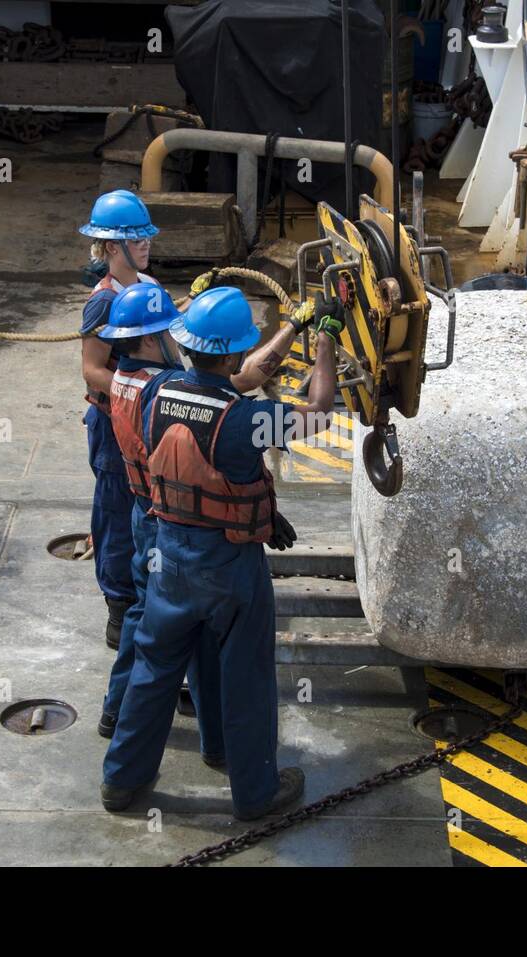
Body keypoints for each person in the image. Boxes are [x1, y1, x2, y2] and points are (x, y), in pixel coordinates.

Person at [101, 285, 344, 821]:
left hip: (168, 557)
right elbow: (321, 411)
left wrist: (295, 326)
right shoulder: (244, 420)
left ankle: (121, 780)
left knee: (155, 668)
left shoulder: (152, 394)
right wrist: (324, 336)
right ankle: (255, 792)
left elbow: (213, 420)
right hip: (231, 567)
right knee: (247, 676)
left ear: (187, 346)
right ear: (232, 353)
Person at [77, 190, 161, 650]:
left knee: (142, 508)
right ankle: (117, 606)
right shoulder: (103, 302)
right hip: (112, 426)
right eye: (136, 239)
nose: (146, 244)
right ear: (112, 248)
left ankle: (140, 595)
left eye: (147, 237)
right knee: (114, 512)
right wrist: (137, 391)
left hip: (140, 420)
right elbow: (92, 369)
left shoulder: (146, 289)